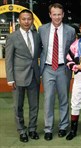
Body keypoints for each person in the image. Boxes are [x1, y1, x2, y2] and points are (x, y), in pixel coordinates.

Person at [38, 3, 76, 141]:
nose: (57, 17)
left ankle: (63, 126)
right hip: (48, 68)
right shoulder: (42, 29)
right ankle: (48, 129)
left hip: (63, 69)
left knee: (64, 99)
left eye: (59, 14)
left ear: (63, 14)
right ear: (50, 15)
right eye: (54, 14)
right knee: (48, 99)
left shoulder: (70, 31)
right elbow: (39, 48)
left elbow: (73, 51)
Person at [5, 9, 41, 143]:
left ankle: (32, 129)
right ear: (19, 20)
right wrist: (10, 78)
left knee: (34, 105)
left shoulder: (36, 36)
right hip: (18, 77)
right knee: (18, 106)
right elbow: (8, 59)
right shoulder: (12, 37)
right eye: (24, 19)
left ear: (32, 20)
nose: (26, 21)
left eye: (29, 19)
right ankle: (21, 130)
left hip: (34, 76)